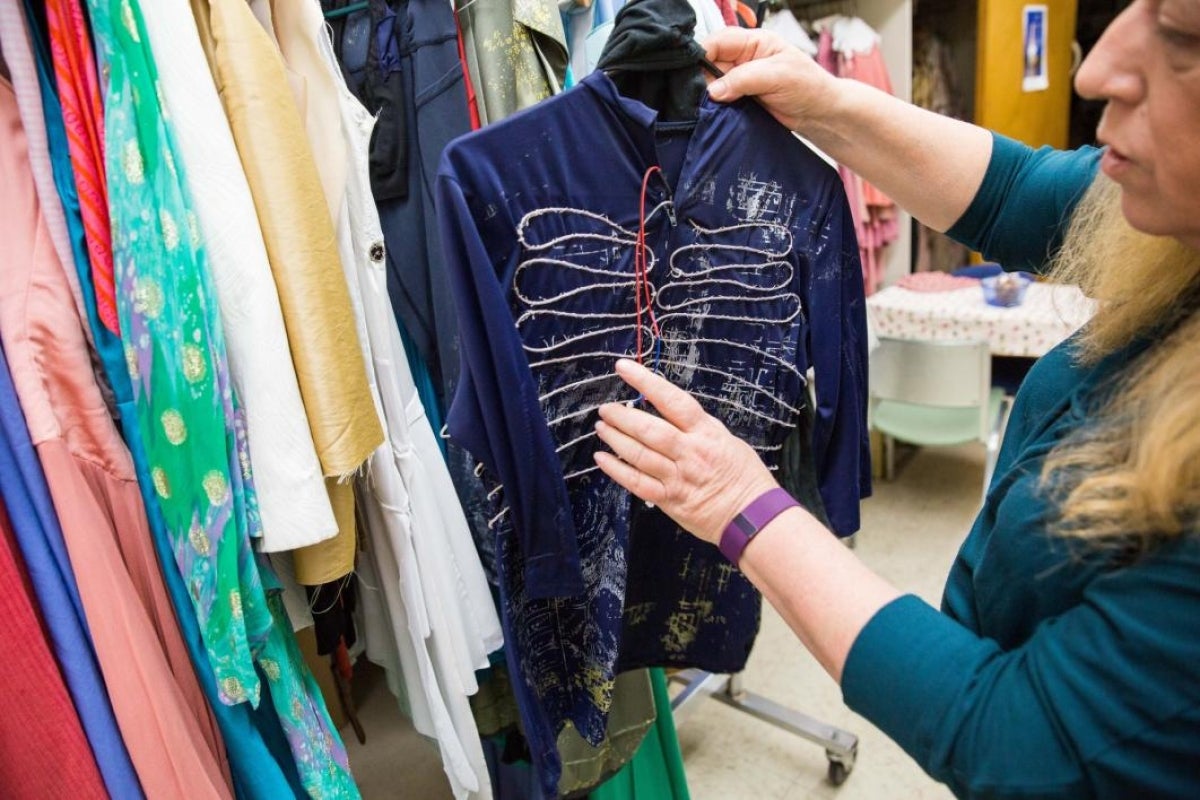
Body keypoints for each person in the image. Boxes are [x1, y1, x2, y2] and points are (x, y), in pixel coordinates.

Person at [591, 2, 1200, 797]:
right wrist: (827, 102)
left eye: (1185, 35)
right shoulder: (1166, 217)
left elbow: (1017, 739)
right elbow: (1017, 189)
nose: (1092, 71)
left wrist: (740, 500)